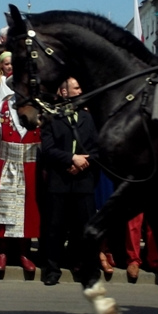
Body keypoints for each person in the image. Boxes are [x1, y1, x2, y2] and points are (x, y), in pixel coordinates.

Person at [39, 77, 100, 286]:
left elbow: (97, 147)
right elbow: (47, 148)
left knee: (85, 227)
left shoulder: (89, 117)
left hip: (84, 180)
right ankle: (52, 269)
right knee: (55, 227)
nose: (80, 90)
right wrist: (71, 159)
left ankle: (87, 269)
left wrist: (84, 162)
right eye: (76, 87)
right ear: (64, 92)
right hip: (59, 179)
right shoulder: (51, 118)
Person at [0, 91, 41, 276]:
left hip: (31, 164)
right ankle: (2, 253)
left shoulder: (40, 107)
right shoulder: (0, 109)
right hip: (6, 163)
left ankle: (24, 254)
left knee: (28, 211)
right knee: (5, 208)